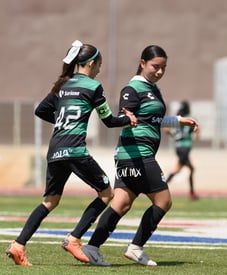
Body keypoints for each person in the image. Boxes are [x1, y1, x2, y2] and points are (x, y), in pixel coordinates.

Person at [5, 40, 137, 266]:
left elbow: (41, 110)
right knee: (106, 194)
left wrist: (63, 122)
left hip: (55, 150)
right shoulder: (94, 87)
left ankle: (18, 245)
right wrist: (129, 120)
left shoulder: (62, 85)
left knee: (50, 201)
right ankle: (74, 239)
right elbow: (109, 121)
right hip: (75, 151)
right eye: (99, 65)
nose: (99, 70)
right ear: (92, 63)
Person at [75, 45, 199, 266]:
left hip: (129, 155)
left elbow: (152, 120)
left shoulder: (152, 88)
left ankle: (93, 247)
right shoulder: (132, 88)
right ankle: (135, 247)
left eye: (164, 68)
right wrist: (126, 112)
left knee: (121, 203)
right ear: (142, 63)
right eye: (155, 66)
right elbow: (127, 114)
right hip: (137, 154)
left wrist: (179, 120)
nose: (160, 72)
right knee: (164, 201)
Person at [165, 101, 198, 200]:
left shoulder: (177, 118)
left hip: (178, 146)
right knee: (177, 169)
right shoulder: (190, 117)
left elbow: (166, 129)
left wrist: (174, 136)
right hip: (185, 147)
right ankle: (160, 188)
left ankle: (192, 193)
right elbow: (197, 130)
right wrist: (193, 137)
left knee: (191, 168)